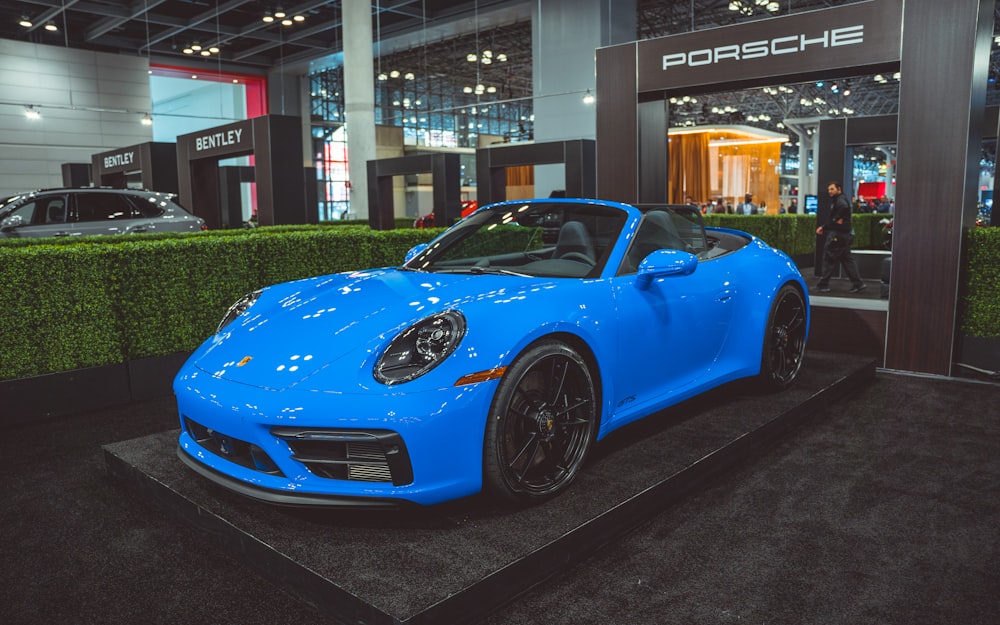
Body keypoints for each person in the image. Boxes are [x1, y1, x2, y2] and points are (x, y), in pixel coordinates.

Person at [815, 180, 866, 294]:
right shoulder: (840, 199)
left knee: (829, 258)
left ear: (839, 189)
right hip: (844, 235)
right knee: (847, 260)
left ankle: (823, 285)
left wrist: (836, 219)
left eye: (832, 189)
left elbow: (843, 208)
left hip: (838, 235)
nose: (830, 191)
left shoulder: (840, 200)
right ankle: (858, 284)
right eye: (829, 189)